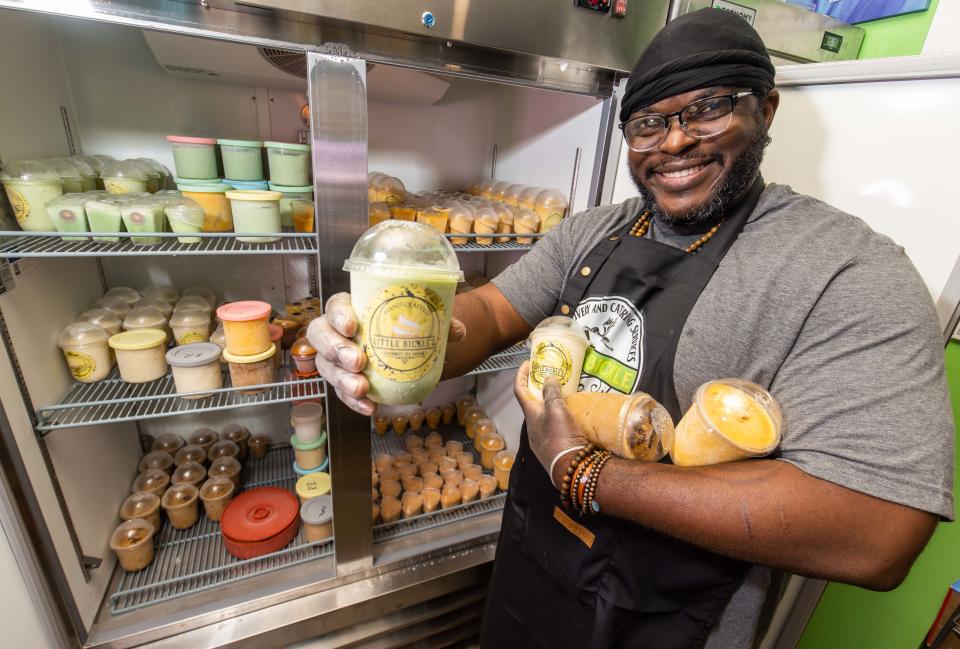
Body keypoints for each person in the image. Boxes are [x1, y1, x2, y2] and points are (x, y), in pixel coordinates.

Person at [309, 8, 954, 648]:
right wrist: (389, 329)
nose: (673, 142)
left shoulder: (844, 270)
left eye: (707, 110)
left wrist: (585, 472)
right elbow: (488, 313)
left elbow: (879, 531)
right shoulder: (596, 229)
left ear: (767, 109)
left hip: (668, 621)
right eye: (648, 124)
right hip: (534, 571)